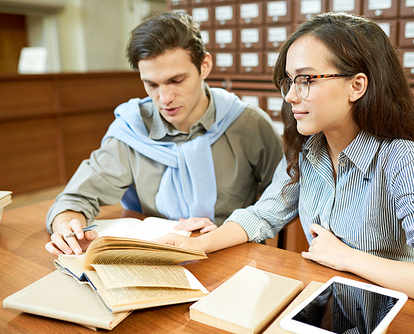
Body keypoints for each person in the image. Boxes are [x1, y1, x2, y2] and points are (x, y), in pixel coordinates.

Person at [158, 12, 414, 313]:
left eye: (306, 80)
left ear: (357, 86)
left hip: (390, 312)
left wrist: (346, 257)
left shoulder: (402, 159)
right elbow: (263, 214)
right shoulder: (309, 148)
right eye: (289, 81)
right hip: (328, 302)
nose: (290, 97)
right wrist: (196, 246)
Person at [45, 11, 282, 256]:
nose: (165, 99)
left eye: (176, 80)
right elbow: (74, 199)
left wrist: (230, 230)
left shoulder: (249, 125)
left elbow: (286, 195)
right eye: (152, 85)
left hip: (232, 255)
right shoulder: (131, 129)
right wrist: (67, 229)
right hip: (153, 257)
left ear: (205, 66)